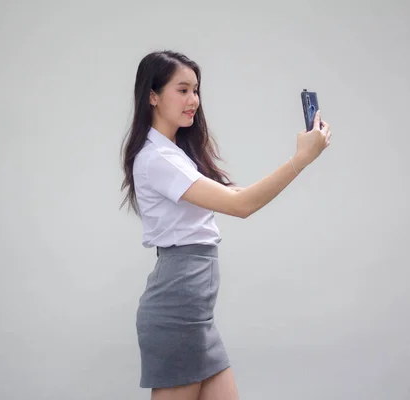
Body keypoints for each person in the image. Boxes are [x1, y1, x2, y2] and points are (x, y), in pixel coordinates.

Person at [120, 50, 331, 400]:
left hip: (194, 310)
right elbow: (241, 205)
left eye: (196, 90)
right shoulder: (158, 159)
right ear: (153, 96)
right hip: (177, 309)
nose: (193, 100)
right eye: (182, 90)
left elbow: (237, 195)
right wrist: (302, 159)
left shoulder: (173, 155)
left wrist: (300, 159)